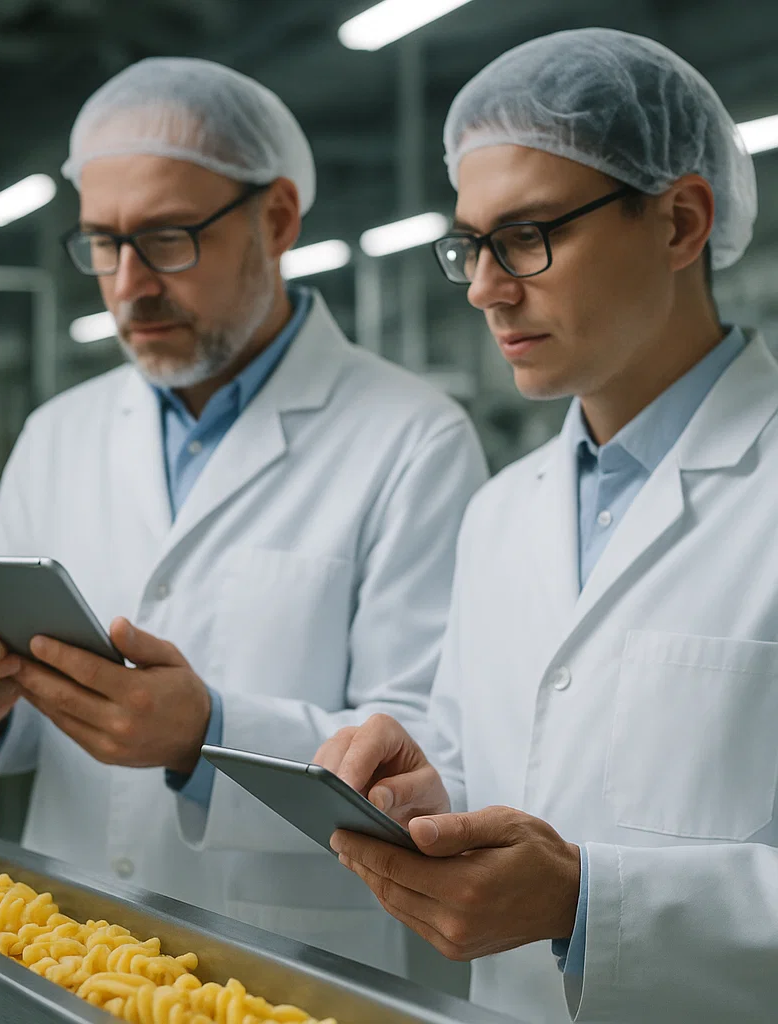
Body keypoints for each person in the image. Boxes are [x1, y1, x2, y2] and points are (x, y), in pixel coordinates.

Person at [314, 28, 775, 1021]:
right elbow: (516, 766)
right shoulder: (500, 512)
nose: (485, 287)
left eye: (526, 236)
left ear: (681, 222)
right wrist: (433, 792)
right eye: (470, 246)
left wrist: (585, 901)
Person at [0, 56, 487, 974]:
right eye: (102, 243)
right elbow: (20, 739)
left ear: (278, 219)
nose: (128, 284)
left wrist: (207, 732)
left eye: (167, 238)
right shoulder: (57, 433)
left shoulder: (415, 439)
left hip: (285, 966)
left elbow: (430, 754)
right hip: (67, 946)